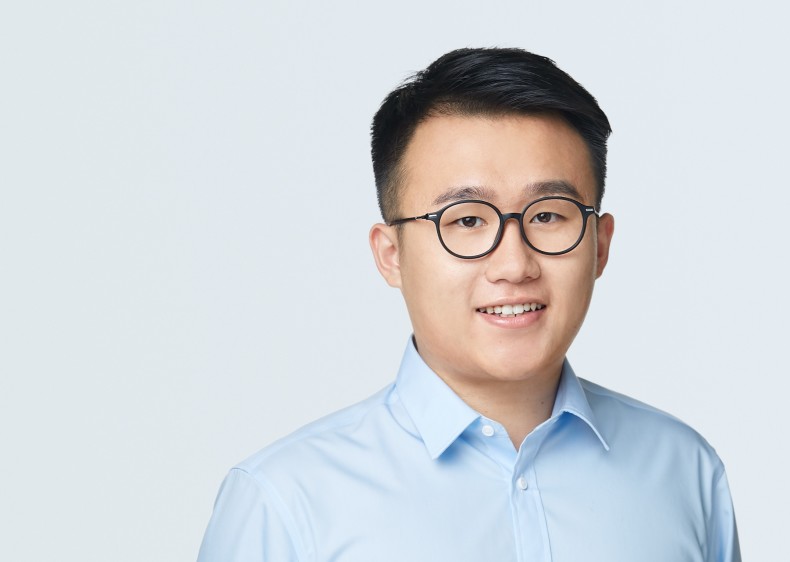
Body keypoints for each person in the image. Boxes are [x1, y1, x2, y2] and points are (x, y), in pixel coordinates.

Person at [197, 47, 741, 562]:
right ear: (391, 255)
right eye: (466, 220)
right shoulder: (285, 503)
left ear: (600, 245)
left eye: (548, 215)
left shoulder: (683, 471)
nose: (513, 264)